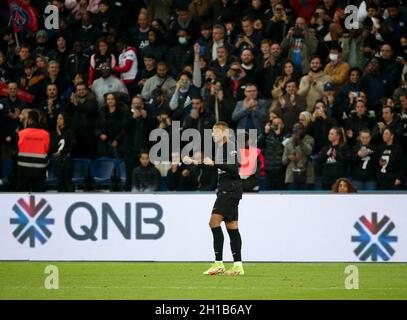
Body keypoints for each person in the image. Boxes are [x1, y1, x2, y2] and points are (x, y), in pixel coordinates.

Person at [183, 121, 244, 276]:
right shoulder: (220, 148)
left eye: (216, 131)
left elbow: (234, 168)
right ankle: (238, 266)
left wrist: (215, 163)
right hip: (227, 189)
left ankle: (219, 263)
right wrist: (194, 162)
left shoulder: (230, 145)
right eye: (212, 132)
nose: (212, 134)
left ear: (225, 133)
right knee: (232, 226)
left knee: (213, 222)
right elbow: (212, 166)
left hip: (230, 190)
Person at [15, 111, 50, 192]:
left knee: (22, 195)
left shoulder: (21, 133)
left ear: (29, 120)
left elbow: (15, 150)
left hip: (23, 169)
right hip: (39, 169)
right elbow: (48, 149)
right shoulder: (45, 134)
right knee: (38, 194)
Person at [282, 122, 315, 190]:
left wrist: (300, 141)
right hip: (291, 176)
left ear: (303, 130)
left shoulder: (309, 139)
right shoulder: (288, 142)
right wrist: (289, 157)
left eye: (298, 128)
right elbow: (283, 161)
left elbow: (309, 151)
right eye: (294, 128)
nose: (296, 130)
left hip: (306, 175)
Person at [49, 112, 75, 192]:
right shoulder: (54, 133)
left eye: (61, 118)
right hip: (57, 160)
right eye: (57, 118)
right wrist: (59, 135)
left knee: (67, 181)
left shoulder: (70, 132)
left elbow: (72, 145)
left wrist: (62, 152)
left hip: (66, 159)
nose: (58, 120)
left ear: (65, 120)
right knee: (59, 181)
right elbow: (52, 146)